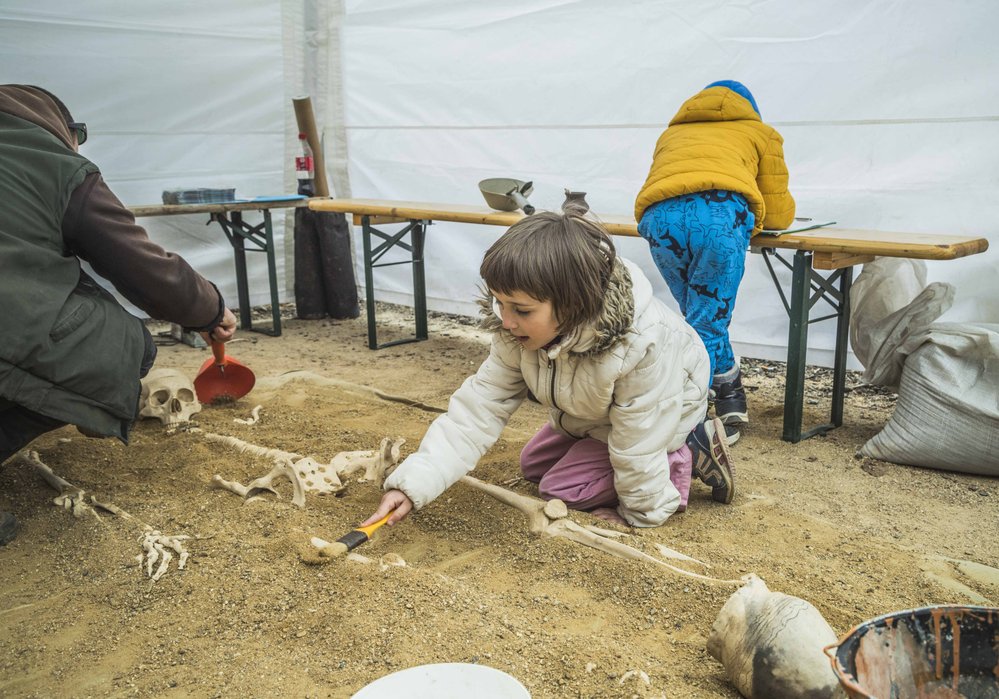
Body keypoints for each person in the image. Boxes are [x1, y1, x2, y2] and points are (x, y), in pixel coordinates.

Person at [361, 203, 736, 532]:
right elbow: (478, 410)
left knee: (562, 488)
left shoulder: (642, 344)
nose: (506, 321)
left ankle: (688, 450)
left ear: (574, 306)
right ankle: (609, 454)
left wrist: (640, 513)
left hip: (665, 413)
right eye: (500, 303)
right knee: (533, 465)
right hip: (594, 415)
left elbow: (638, 441)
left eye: (521, 310)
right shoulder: (515, 329)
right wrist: (412, 484)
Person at [0, 84, 238, 545]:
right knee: (125, 344)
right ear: (60, 128)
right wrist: (208, 308)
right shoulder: (56, 165)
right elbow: (139, 264)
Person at [634, 80, 795, 433]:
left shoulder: (671, 135)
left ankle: (728, 390)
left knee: (698, 317)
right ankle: (691, 413)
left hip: (659, 220)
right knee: (706, 319)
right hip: (718, 218)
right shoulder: (761, 133)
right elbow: (780, 213)